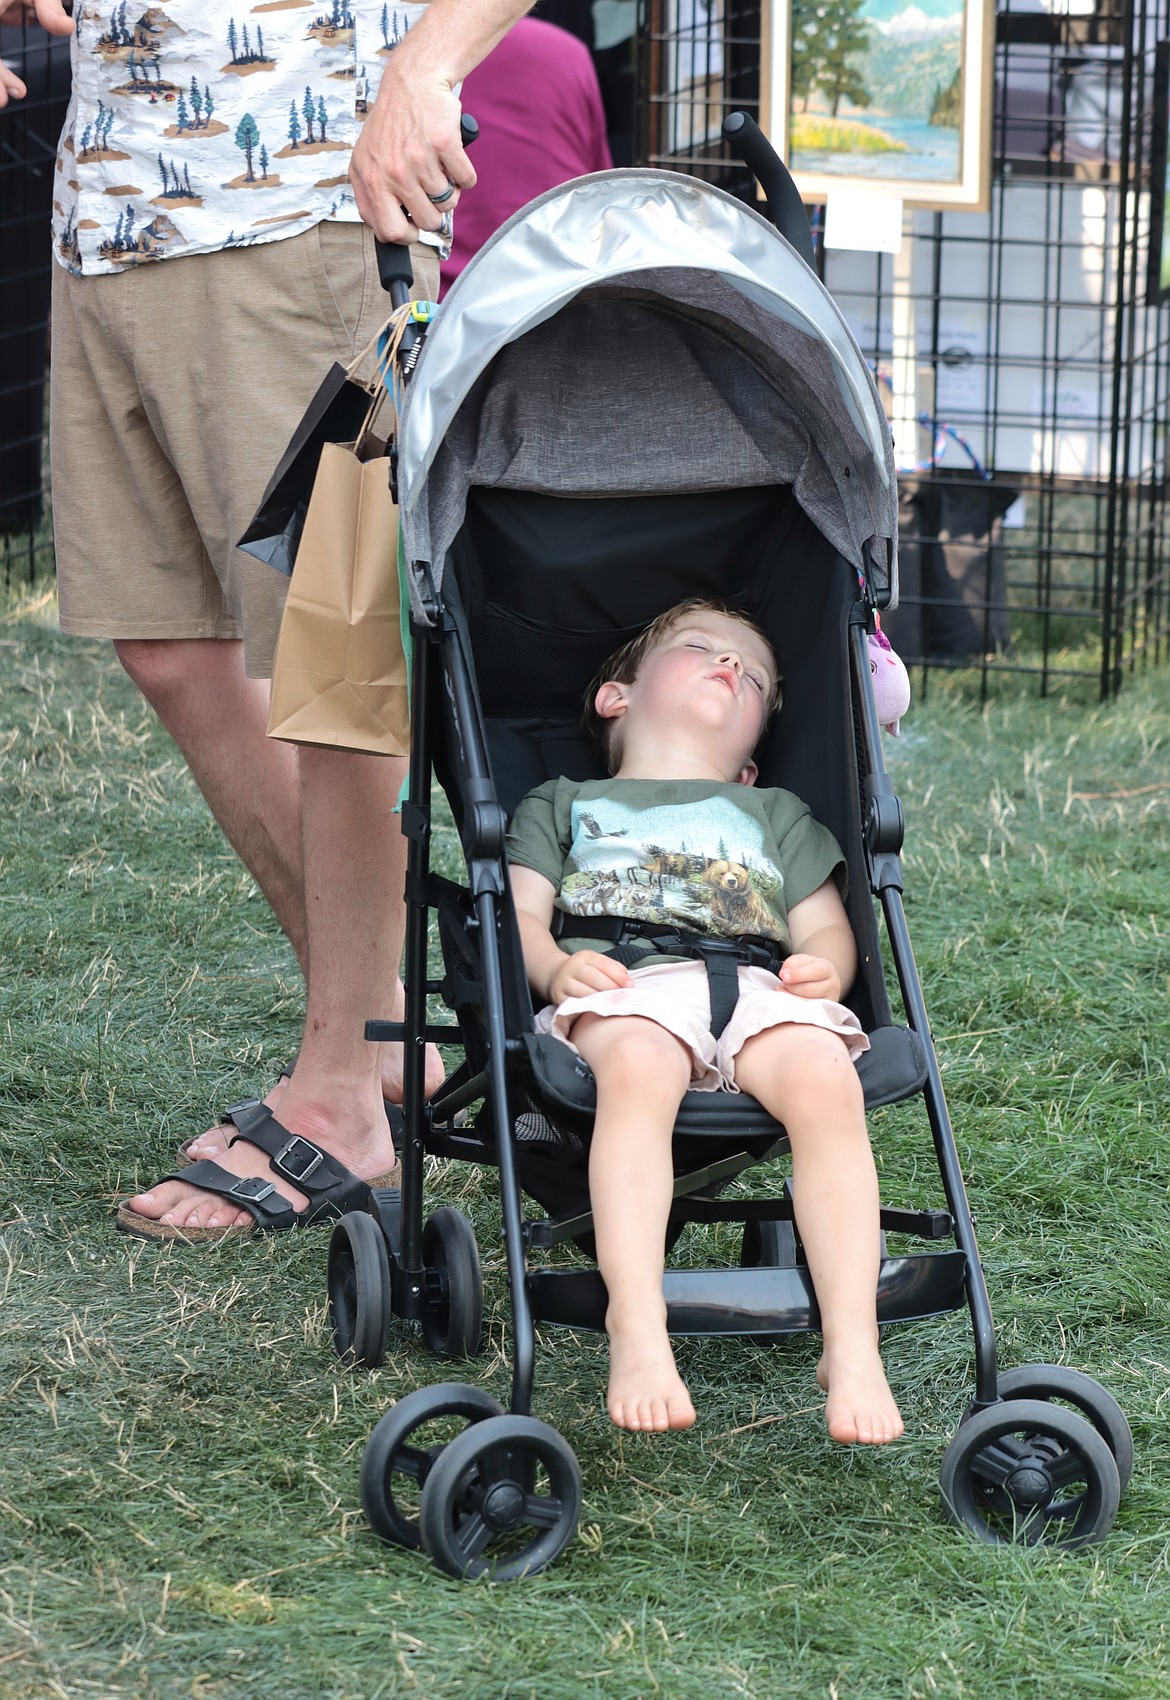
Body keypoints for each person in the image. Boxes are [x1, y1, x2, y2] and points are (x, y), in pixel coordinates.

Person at [1, 0, 534, 1242]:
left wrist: (426, 64)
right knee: (173, 643)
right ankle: (388, 1026)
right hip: (113, 213)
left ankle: (344, 1092)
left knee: (330, 654)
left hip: (303, 208)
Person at [505, 599, 905, 1446]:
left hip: (758, 988)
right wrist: (552, 967)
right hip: (626, 987)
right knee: (641, 1069)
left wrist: (825, 967)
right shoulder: (566, 802)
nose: (732, 668)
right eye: (702, 650)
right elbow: (519, 917)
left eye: (754, 675)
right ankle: (639, 1327)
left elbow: (828, 926)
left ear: (753, 762)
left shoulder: (775, 814)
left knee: (828, 1082)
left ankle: (853, 1342)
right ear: (617, 696)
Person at [439, 15, 611, 295]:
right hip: (554, 291)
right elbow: (601, 190)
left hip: (441, 298)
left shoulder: (411, 59)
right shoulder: (567, 50)